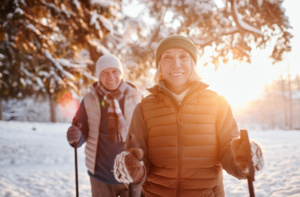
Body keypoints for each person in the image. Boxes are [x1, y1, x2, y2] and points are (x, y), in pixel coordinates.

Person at [113, 35, 264, 197]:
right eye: (167, 57)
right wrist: (134, 170)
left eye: (183, 56)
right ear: (160, 66)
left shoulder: (217, 103)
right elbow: (138, 155)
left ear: (193, 63)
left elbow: (227, 150)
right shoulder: (143, 108)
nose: (176, 64)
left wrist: (243, 161)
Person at [66, 54, 143, 197]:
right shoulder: (90, 99)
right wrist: (75, 137)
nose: (111, 77)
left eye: (115, 71)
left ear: (121, 73)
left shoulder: (136, 97)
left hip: (132, 172)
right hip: (101, 176)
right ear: (99, 76)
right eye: (105, 73)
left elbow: (147, 132)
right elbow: (81, 130)